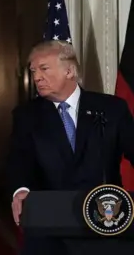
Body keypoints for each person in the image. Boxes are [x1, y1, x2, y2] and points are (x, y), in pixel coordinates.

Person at [7, 40, 134, 255]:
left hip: (104, 223)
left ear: (69, 70)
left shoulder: (111, 108)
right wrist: (20, 190)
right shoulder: (26, 115)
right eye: (33, 70)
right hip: (49, 226)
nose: (36, 77)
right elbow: (19, 161)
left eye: (44, 68)